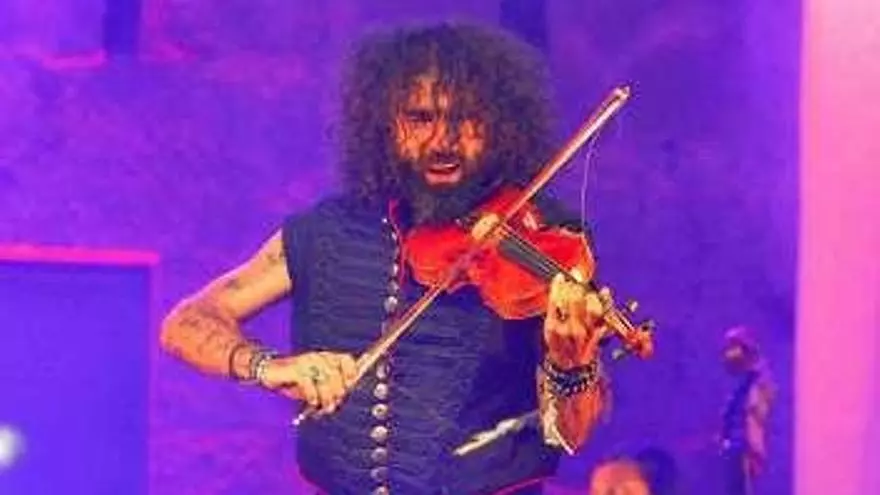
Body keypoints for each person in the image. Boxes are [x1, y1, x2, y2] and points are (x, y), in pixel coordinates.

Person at [160, 22, 612, 495]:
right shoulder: (327, 229)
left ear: (500, 127)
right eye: (420, 118)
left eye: (466, 119)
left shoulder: (541, 241)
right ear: (385, 124)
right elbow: (185, 322)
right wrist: (268, 366)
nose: (443, 141)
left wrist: (573, 365)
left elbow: (574, 434)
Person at [719, 325, 774, 495]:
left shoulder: (759, 382)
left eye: (735, 347)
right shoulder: (740, 384)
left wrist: (753, 449)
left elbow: (757, 415)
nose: (730, 354)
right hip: (734, 450)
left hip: (746, 451)